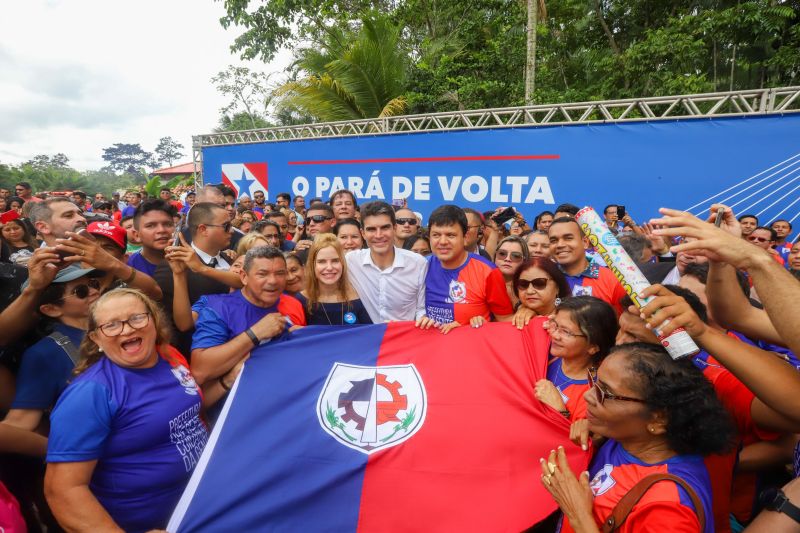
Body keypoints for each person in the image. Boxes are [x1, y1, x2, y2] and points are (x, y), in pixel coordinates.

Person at [44, 288, 211, 532]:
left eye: (137, 318)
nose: (127, 329)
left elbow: (186, 414)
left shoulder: (168, 359)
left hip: (200, 509)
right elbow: (63, 491)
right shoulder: (90, 393)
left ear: (154, 321)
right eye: (111, 325)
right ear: (96, 339)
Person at [541, 342, 734, 533]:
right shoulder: (624, 437)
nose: (588, 396)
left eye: (605, 392)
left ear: (658, 420)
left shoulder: (667, 508)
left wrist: (579, 517)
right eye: (594, 382)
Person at [1, 265, 101, 447]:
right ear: (51, 309)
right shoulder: (45, 354)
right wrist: (61, 454)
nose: (94, 291)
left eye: (94, 284)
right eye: (81, 291)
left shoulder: (115, 329)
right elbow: (19, 423)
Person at [190, 247, 306, 393]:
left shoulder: (292, 304)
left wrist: (298, 339)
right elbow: (200, 371)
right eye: (262, 274)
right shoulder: (219, 308)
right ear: (244, 277)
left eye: (280, 273)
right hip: (236, 405)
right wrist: (254, 334)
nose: (273, 281)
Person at [419, 205, 513, 333]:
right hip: (429, 349)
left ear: (464, 237)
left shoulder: (488, 272)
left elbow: (506, 321)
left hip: (472, 349)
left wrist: (483, 327)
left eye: (451, 235)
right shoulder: (420, 266)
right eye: (436, 235)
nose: (442, 241)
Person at [535, 296, 618, 422]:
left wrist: (560, 411)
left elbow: (579, 440)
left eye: (567, 332)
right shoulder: (544, 350)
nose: (555, 335)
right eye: (556, 325)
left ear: (593, 347)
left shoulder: (594, 396)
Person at [346, 201, 428, 323]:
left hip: (404, 339)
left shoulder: (418, 263)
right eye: (371, 229)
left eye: (385, 227)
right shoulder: (350, 261)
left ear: (394, 228)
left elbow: (421, 310)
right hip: (367, 339)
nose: (378, 235)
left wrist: (424, 320)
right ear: (363, 233)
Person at [548, 217, 627, 314]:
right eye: (553, 240)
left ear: (585, 242)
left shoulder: (613, 280)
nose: (559, 244)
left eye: (568, 238)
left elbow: (621, 322)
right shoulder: (544, 277)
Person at [294, 234, 371, 325]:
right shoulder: (300, 301)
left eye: (335, 261)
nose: (329, 267)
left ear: (342, 263)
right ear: (312, 265)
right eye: (322, 262)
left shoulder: (359, 297)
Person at [510, 257, 571, 328]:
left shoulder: (573, 317)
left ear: (557, 287)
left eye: (539, 283)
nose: (530, 291)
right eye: (523, 284)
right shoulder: (518, 316)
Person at [127, 199, 176, 277]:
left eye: (168, 224)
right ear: (137, 235)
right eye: (150, 226)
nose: (161, 230)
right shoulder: (129, 268)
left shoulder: (191, 261)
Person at [493, 235, 529, 308]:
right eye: (502, 254)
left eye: (515, 256)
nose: (507, 259)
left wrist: (530, 311)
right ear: (495, 256)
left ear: (524, 260)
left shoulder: (531, 287)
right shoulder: (481, 284)